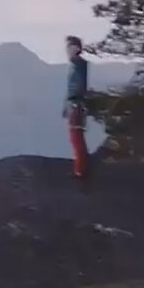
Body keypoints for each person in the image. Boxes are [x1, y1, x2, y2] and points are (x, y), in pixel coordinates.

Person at [62, 35, 96, 181]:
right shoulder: (75, 65)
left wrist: (73, 103)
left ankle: (81, 170)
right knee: (76, 138)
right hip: (74, 104)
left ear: (76, 48)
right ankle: (80, 168)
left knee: (76, 138)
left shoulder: (78, 64)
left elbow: (77, 87)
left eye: (69, 47)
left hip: (76, 105)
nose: (67, 50)